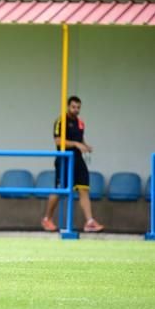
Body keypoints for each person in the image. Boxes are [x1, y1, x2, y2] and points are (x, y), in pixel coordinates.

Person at [41, 96, 104, 233]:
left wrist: (86, 146)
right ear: (68, 106)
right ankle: (47, 218)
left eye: (78, 107)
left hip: (78, 160)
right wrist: (76, 144)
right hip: (64, 160)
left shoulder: (80, 123)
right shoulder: (60, 121)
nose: (76, 110)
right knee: (59, 190)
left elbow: (80, 139)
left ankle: (89, 222)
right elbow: (58, 141)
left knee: (83, 189)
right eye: (73, 107)